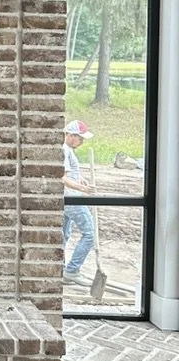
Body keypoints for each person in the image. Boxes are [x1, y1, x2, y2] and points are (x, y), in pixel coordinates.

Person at [62, 120, 95, 285]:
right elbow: (62, 177)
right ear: (70, 135)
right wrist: (82, 190)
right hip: (71, 197)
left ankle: (60, 270)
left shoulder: (69, 150)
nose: (81, 142)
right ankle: (72, 270)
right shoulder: (63, 149)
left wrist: (81, 181)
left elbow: (72, 174)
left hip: (69, 196)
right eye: (79, 138)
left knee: (64, 235)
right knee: (90, 234)